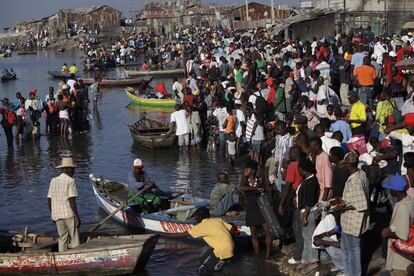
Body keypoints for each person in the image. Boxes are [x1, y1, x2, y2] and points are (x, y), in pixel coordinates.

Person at [337, 151, 370, 276]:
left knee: (353, 250)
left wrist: (342, 207)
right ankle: (348, 271)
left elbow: (361, 204)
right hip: (347, 222)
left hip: (353, 221)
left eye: (345, 163)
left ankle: (354, 273)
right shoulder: (361, 173)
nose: (344, 166)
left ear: (349, 165)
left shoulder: (355, 180)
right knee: (346, 248)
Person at [381, 175, 414, 276]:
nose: (389, 191)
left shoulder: (403, 207)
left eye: (390, 188)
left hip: (400, 261)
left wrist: (387, 234)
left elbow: (403, 235)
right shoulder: (410, 201)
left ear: (395, 190)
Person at [240, 159, 272, 259]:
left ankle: (268, 255)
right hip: (251, 209)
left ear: (253, 171)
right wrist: (256, 189)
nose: (245, 170)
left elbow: (269, 188)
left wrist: (263, 189)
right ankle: (257, 254)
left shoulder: (260, 179)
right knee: (253, 234)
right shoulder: (244, 180)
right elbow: (242, 188)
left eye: (248, 169)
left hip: (262, 209)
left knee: (268, 232)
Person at [47, 157, 80, 252]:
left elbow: (49, 199)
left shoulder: (53, 180)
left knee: (62, 238)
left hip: (57, 214)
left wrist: (52, 214)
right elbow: (71, 200)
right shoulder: (70, 180)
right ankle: (76, 255)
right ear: (69, 169)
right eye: (73, 169)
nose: (74, 171)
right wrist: (77, 216)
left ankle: (62, 255)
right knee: (74, 238)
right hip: (68, 213)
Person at [297, 157, 320, 274]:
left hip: (308, 213)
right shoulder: (307, 179)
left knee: (310, 236)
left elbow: (309, 202)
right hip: (304, 212)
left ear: (304, 170)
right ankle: (306, 258)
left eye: (299, 169)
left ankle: (313, 261)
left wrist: (304, 216)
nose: (298, 172)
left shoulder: (311, 182)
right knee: (306, 236)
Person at [310, 137, 333, 202]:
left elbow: (328, 179)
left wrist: (323, 199)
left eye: (312, 147)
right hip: (319, 190)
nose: (310, 149)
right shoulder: (316, 155)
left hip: (324, 193)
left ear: (317, 147)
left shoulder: (325, 157)